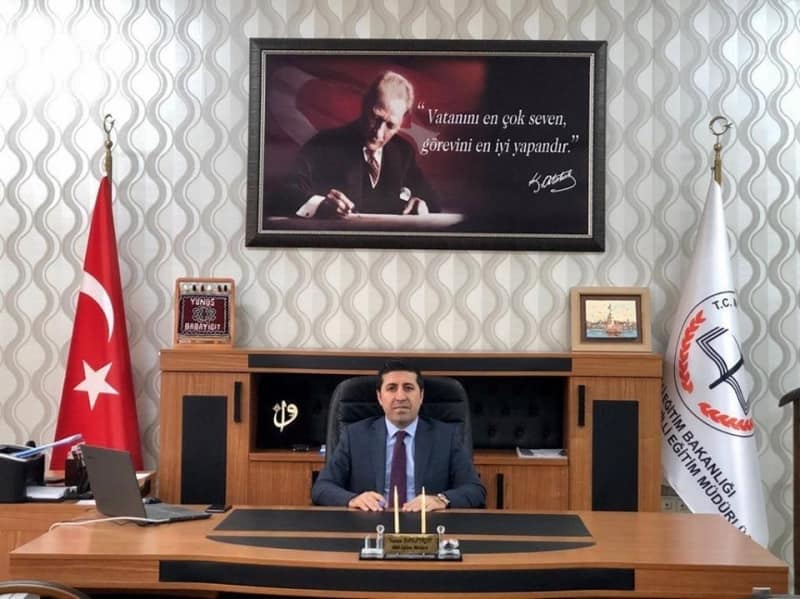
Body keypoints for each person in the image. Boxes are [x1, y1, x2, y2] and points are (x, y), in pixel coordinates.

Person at [311, 360, 486, 511]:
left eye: (408, 388)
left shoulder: (446, 436)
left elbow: (475, 489)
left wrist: (441, 500)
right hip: (370, 525)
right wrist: (353, 499)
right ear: (380, 397)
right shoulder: (355, 436)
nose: (400, 396)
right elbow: (322, 487)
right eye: (391, 388)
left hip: (426, 526)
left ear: (421, 396)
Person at [282, 70, 441, 218]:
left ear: (402, 121)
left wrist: (420, 203)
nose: (378, 133)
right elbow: (286, 192)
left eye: (390, 125)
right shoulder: (324, 144)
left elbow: (433, 201)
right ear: (364, 105)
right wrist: (320, 205)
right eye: (375, 118)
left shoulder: (403, 152)